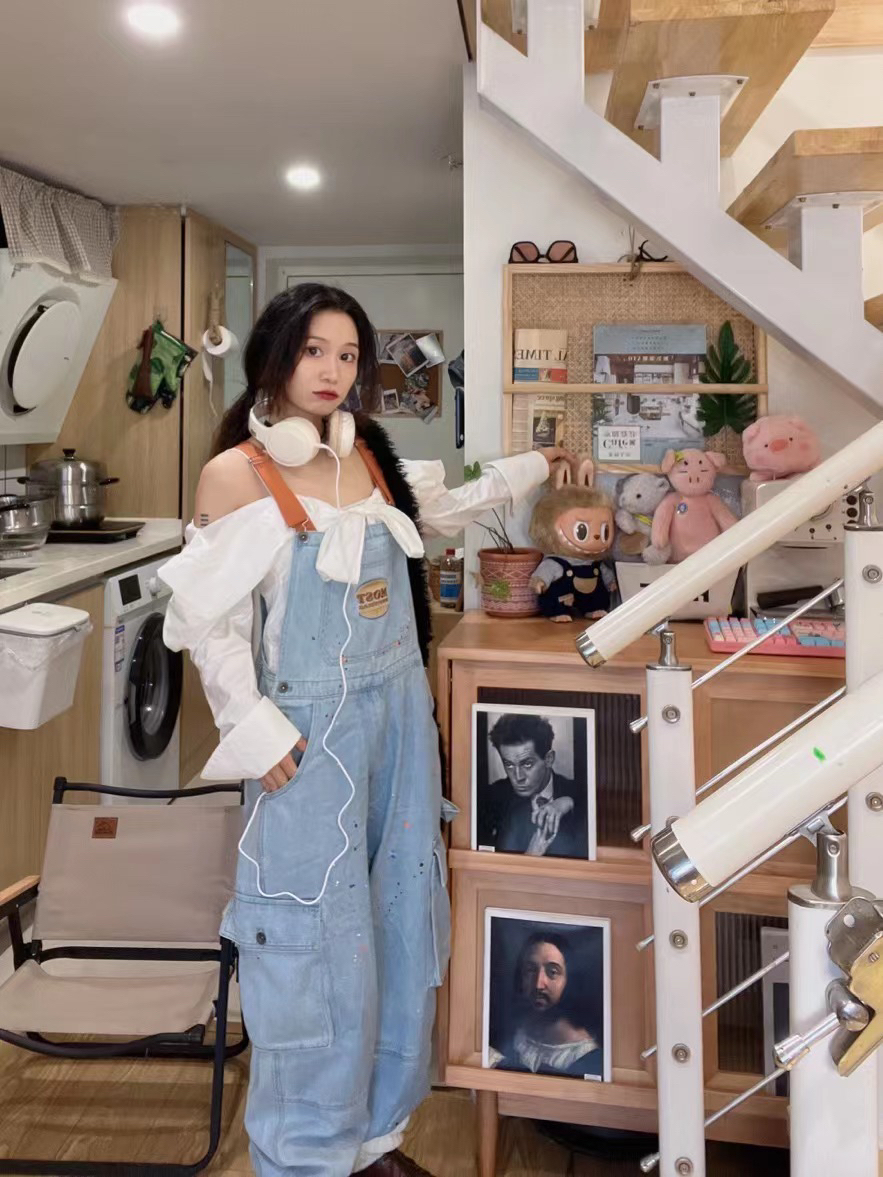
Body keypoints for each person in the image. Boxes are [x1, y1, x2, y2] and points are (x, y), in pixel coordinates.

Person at [157, 282, 574, 1177]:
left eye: (347, 355)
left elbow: (456, 503)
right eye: (314, 350)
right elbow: (210, 624)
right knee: (311, 941)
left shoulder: (371, 457)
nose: (332, 370)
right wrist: (255, 728)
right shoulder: (236, 473)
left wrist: (539, 464)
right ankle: (303, 1156)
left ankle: (374, 1141)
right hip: (306, 737)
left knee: (398, 924)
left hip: (398, 726)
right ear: (273, 354)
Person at [489, 931, 602, 1079]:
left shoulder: (586, 1055)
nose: (539, 984)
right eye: (531, 970)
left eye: (552, 972)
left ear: (570, 980)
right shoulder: (512, 1034)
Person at [479, 713, 587, 858]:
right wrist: (529, 856)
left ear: (549, 759)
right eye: (509, 765)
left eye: (527, 764)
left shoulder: (580, 793)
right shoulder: (493, 797)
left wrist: (569, 801)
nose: (518, 777)